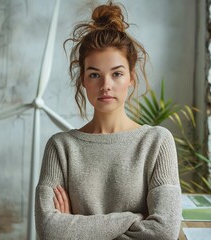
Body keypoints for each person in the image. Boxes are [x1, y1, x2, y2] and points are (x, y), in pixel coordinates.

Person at [35, 1, 182, 239]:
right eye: (94, 74)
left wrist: (74, 226)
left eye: (117, 73)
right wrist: (133, 219)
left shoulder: (156, 142)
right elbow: (50, 232)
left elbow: (164, 232)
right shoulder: (61, 147)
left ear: (131, 78)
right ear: (83, 79)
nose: (105, 86)